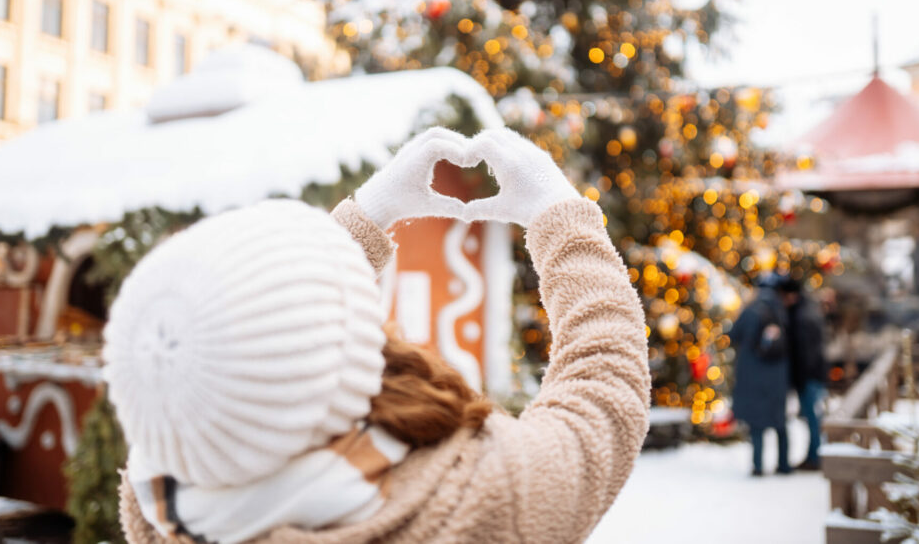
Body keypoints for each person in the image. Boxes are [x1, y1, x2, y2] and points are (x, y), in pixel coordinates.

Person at [105, 127, 651, 544]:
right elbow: (604, 391)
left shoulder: (159, 507)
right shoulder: (476, 499)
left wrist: (367, 215)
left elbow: (235, 348)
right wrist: (559, 213)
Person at [730, 274, 791, 476]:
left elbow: (732, 336)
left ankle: (758, 466)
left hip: (752, 375)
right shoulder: (781, 311)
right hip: (777, 377)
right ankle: (783, 464)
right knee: (779, 422)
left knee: (757, 424)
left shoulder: (750, 310)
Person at [778, 276, 827, 471]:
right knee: (812, 417)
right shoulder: (807, 311)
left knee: (812, 418)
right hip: (813, 374)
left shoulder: (801, 318)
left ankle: (815, 457)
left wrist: (801, 378)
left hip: (808, 376)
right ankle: (813, 455)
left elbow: (806, 353)